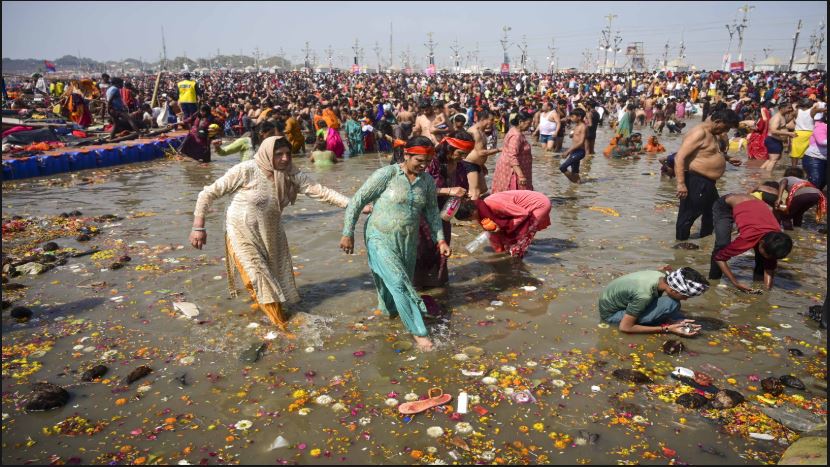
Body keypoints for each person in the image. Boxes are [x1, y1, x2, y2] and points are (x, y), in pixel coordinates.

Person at [192, 136, 354, 330]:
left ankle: (269, 309)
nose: (285, 158)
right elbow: (207, 194)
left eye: (288, 153)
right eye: (279, 154)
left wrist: (354, 204)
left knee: (277, 278)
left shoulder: (291, 174)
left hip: (271, 232)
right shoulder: (247, 170)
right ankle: (282, 328)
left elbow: (321, 192)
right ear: (268, 154)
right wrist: (198, 228)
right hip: (241, 231)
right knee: (258, 276)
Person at [340, 137, 449, 352]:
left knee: (390, 288)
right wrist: (347, 232)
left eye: (427, 161)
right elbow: (357, 201)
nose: (424, 165)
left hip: (408, 241)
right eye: (419, 160)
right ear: (406, 155)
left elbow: (432, 213)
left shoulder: (426, 182)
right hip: (379, 237)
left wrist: (441, 239)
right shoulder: (387, 175)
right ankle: (419, 333)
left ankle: (387, 317)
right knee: (399, 282)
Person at [413, 131, 474, 288]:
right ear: (449, 148)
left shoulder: (460, 167)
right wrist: (449, 191)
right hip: (422, 215)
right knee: (420, 253)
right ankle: (416, 289)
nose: (463, 157)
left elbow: (462, 188)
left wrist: (464, 197)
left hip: (444, 216)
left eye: (466, 154)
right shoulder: (432, 162)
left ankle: (438, 287)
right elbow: (418, 189)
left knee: (440, 253)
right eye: (461, 153)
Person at [674, 109, 741, 241]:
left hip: (708, 183)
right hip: (697, 181)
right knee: (688, 216)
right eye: (725, 127)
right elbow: (679, 157)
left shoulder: (713, 132)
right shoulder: (699, 132)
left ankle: (704, 240)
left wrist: (726, 158)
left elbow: (707, 151)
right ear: (717, 121)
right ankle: (680, 247)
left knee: (713, 212)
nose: (726, 132)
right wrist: (681, 183)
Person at [709, 193, 793, 292]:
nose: (769, 259)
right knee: (722, 245)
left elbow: (770, 268)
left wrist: (766, 291)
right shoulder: (747, 238)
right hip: (726, 205)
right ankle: (713, 281)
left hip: (752, 208)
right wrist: (736, 283)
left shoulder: (777, 237)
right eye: (767, 255)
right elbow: (719, 258)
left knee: (763, 259)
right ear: (761, 242)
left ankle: (757, 283)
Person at [598, 267, 707, 336]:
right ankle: (667, 322)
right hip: (611, 315)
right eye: (685, 296)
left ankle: (671, 320)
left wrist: (671, 320)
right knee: (672, 304)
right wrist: (667, 329)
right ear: (673, 290)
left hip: (615, 301)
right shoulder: (644, 296)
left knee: (673, 307)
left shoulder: (660, 276)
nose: (686, 299)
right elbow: (625, 327)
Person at [455, 190, 552, 258]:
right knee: (510, 241)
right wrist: (499, 251)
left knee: (523, 235)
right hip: (525, 207)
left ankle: (517, 259)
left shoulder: (493, 204)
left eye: (469, 219)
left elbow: (522, 214)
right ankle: (514, 254)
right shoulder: (481, 211)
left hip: (539, 204)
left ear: (472, 212)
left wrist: (504, 227)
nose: (471, 221)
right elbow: (493, 234)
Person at [491, 111, 533, 192]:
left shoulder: (513, 130)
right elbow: (513, 156)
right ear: (521, 122)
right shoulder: (516, 136)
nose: (530, 126)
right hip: (512, 170)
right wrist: (521, 176)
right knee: (515, 194)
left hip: (510, 166)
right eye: (528, 123)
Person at [464, 110, 500, 199]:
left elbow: (477, 151)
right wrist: (499, 149)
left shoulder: (482, 131)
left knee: (483, 189)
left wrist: (482, 164)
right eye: (491, 120)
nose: (493, 122)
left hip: (477, 164)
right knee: (475, 192)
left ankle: (473, 205)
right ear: (484, 119)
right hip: (469, 163)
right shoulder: (475, 132)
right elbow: (480, 152)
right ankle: (472, 211)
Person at [760, 102, 796, 172]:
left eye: (791, 108)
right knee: (773, 160)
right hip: (773, 140)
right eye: (789, 108)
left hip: (775, 140)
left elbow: (785, 122)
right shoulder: (777, 117)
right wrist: (788, 133)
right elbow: (773, 130)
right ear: (782, 108)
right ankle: (767, 176)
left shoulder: (782, 116)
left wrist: (793, 114)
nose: (790, 109)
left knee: (772, 159)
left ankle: (761, 172)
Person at [791, 99, 822, 168]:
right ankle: (806, 169)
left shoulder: (796, 111)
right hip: (810, 134)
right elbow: (823, 110)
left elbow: (787, 119)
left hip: (798, 134)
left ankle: (793, 170)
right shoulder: (812, 111)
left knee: (795, 153)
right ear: (809, 104)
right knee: (808, 153)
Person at [560, 108, 587, 183]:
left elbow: (581, 142)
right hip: (574, 151)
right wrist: (572, 135)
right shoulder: (576, 126)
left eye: (573, 116)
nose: (571, 118)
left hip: (579, 152)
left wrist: (568, 151)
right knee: (575, 171)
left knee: (562, 167)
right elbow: (574, 137)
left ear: (579, 117)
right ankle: (577, 186)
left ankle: (575, 183)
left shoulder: (583, 127)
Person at [802, 113, 827, 189]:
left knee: (824, 181)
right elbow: (821, 141)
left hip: (824, 158)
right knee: (815, 181)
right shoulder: (821, 126)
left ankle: (819, 199)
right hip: (814, 158)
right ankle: (808, 199)